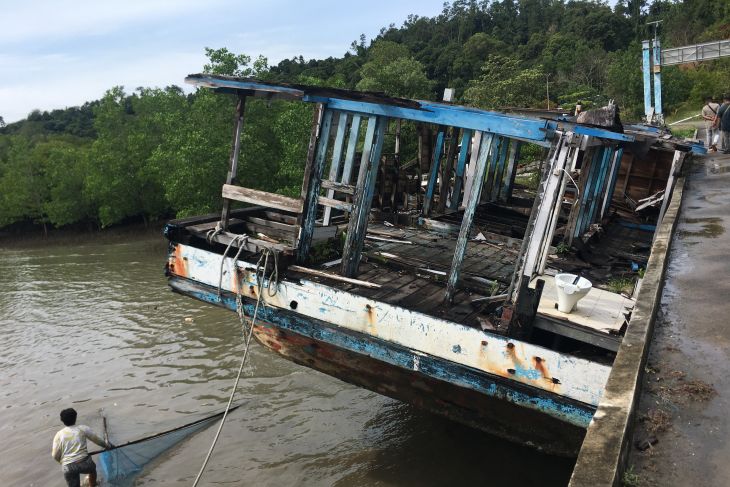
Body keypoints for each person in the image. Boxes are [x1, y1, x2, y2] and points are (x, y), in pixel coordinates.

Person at [52, 408, 111, 487]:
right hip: (85, 463)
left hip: (68, 467)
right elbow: (97, 441)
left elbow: (55, 455)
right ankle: (92, 485)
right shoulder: (82, 429)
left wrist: (62, 462)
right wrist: (107, 446)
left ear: (62, 420)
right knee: (92, 470)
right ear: (75, 417)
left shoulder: (58, 435)